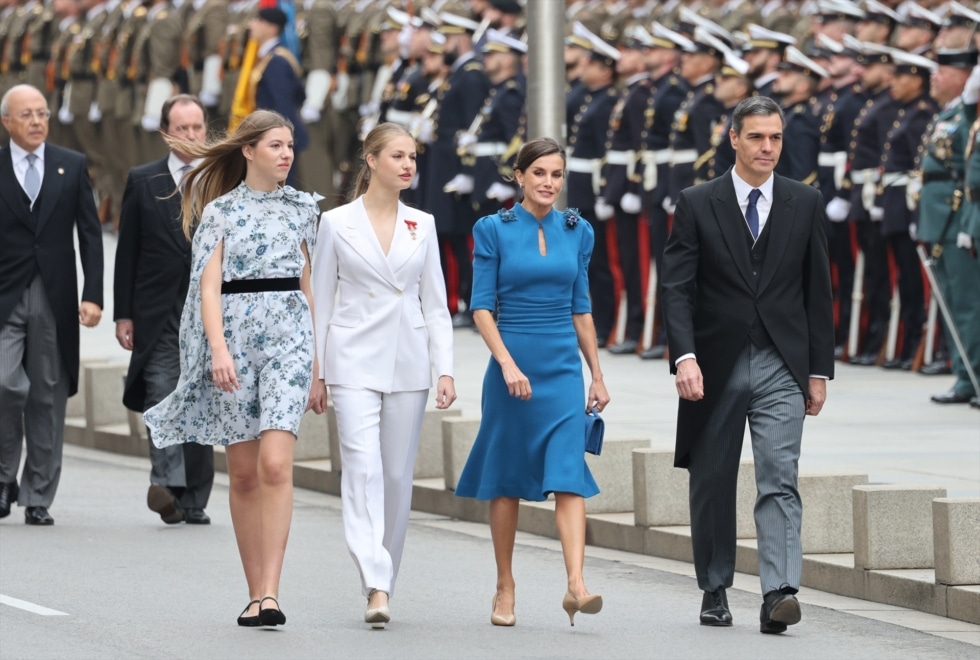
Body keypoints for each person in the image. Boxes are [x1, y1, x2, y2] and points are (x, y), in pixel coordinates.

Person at [661, 96, 834, 634]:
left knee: (780, 478)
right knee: (713, 477)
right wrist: (684, 357)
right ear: (732, 138)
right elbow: (677, 288)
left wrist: (818, 371)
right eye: (757, 137)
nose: (768, 148)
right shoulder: (696, 201)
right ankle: (715, 586)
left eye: (776, 138)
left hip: (783, 363)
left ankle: (779, 591)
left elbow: (818, 292)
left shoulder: (803, 202)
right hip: (714, 364)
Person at [143, 109, 320, 627]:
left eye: (290, 146)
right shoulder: (220, 212)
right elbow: (208, 287)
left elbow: (312, 287)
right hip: (235, 344)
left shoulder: (304, 209)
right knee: (243, 474)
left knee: (274, 465)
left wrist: (318, 367)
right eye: (275, 146)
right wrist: (218, 350)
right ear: (248, 151)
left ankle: (272, 593)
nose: (286, 154)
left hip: (290, 337)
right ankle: (253, 591)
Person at [455, 137, 611, 628]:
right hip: (511, 364)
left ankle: (576, 584)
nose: (549, 183)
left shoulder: (577, 230)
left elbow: (581, 308)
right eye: (539, 173)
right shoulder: (493, 229)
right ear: (519, 176)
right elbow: (481, 307)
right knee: (505, 480)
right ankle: (505, 585)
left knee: (568, 474)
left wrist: (597, 374)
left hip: (562, 367)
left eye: (557, 174)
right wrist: (506, 363)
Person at [311, 122, 456, 629]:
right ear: (371, 160)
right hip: (350, 357)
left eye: (412, 157)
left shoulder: (424, 223)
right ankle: (374, 579)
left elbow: (436, 305)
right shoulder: (335, 223)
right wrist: (318, 373)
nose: (408, 165)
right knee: (362, 468)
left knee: (396, 477)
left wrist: (446, 370)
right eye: (397, 155)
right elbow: (321, 302)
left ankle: (385, 578)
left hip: (408, 360)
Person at [0, 83, 104, 526]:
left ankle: (38, 494)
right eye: (27, 115)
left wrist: (94, 294)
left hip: (55, 295)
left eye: (42, 113)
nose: (38, 121)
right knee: (6, 384)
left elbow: (91, 235)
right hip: (5, 293)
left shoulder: (71, 165)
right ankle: (5, 475)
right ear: (7, 122)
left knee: (47, 395)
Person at [114, 94, 215, 525]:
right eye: (183, 128)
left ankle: (194, 497)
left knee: (201, 398)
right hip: (157, 309)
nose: (191, 136)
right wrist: (123, 313)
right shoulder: (143, 180)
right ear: (166, 133)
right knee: (162, 392)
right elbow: (127, 252)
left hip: (209, 309)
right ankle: (167, 483)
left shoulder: (223, 178)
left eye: (198, 128)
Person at [243, 7, 308, 187]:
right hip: (275, 140)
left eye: (258, 21)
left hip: (278, 142)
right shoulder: (270, 57)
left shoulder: (276, 61)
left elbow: (282, 106)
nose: (251, 25)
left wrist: (279, 143)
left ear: (272, 28)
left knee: (281, 193)